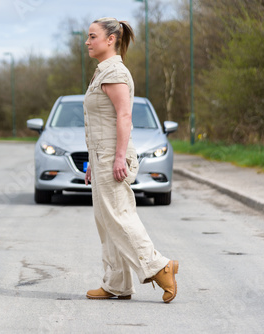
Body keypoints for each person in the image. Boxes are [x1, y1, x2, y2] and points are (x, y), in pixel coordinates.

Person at [83, 17, 178, 303]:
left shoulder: (114, 72)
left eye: (92, 36)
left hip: (113, 156)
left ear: (110, 39)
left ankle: (159, 266)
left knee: (120, 216)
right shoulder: (103, 72)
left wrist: (119, 158)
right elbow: (101, 122)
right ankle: (117, 283)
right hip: (102, 156)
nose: (87, 42)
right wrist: (91, 162)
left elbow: (124, 116)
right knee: (106, 220)